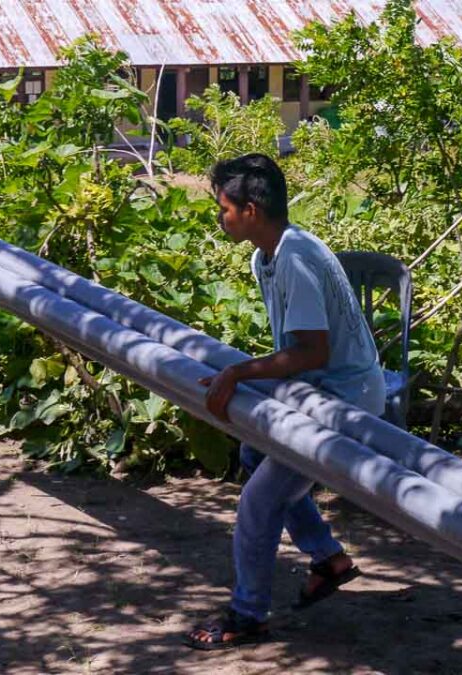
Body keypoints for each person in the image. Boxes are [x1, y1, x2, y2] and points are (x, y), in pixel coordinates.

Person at [185, 154, 386, 650]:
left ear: (251, 210)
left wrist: (240, 371)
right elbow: (302, 354)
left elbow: (311, 351)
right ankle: (328, 559)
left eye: (223, 208)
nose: (220, 217)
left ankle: (247, 614)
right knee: (255, 453)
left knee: (259, 502)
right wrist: (243, 377)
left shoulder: (294, 258)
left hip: (346, 402)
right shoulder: (267, 255)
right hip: (318, 388)